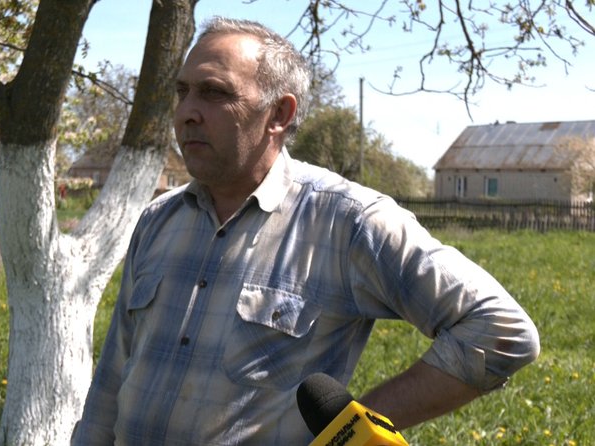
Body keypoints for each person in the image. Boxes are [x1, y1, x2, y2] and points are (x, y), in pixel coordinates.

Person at [72, 17, 540, 445]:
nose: (187, 112)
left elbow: (500, 329)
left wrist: (354, 429)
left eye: (214, 93)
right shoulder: (158, 220)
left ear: (278, 114)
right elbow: (111, 382)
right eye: (183, 92)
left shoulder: (347, 220)